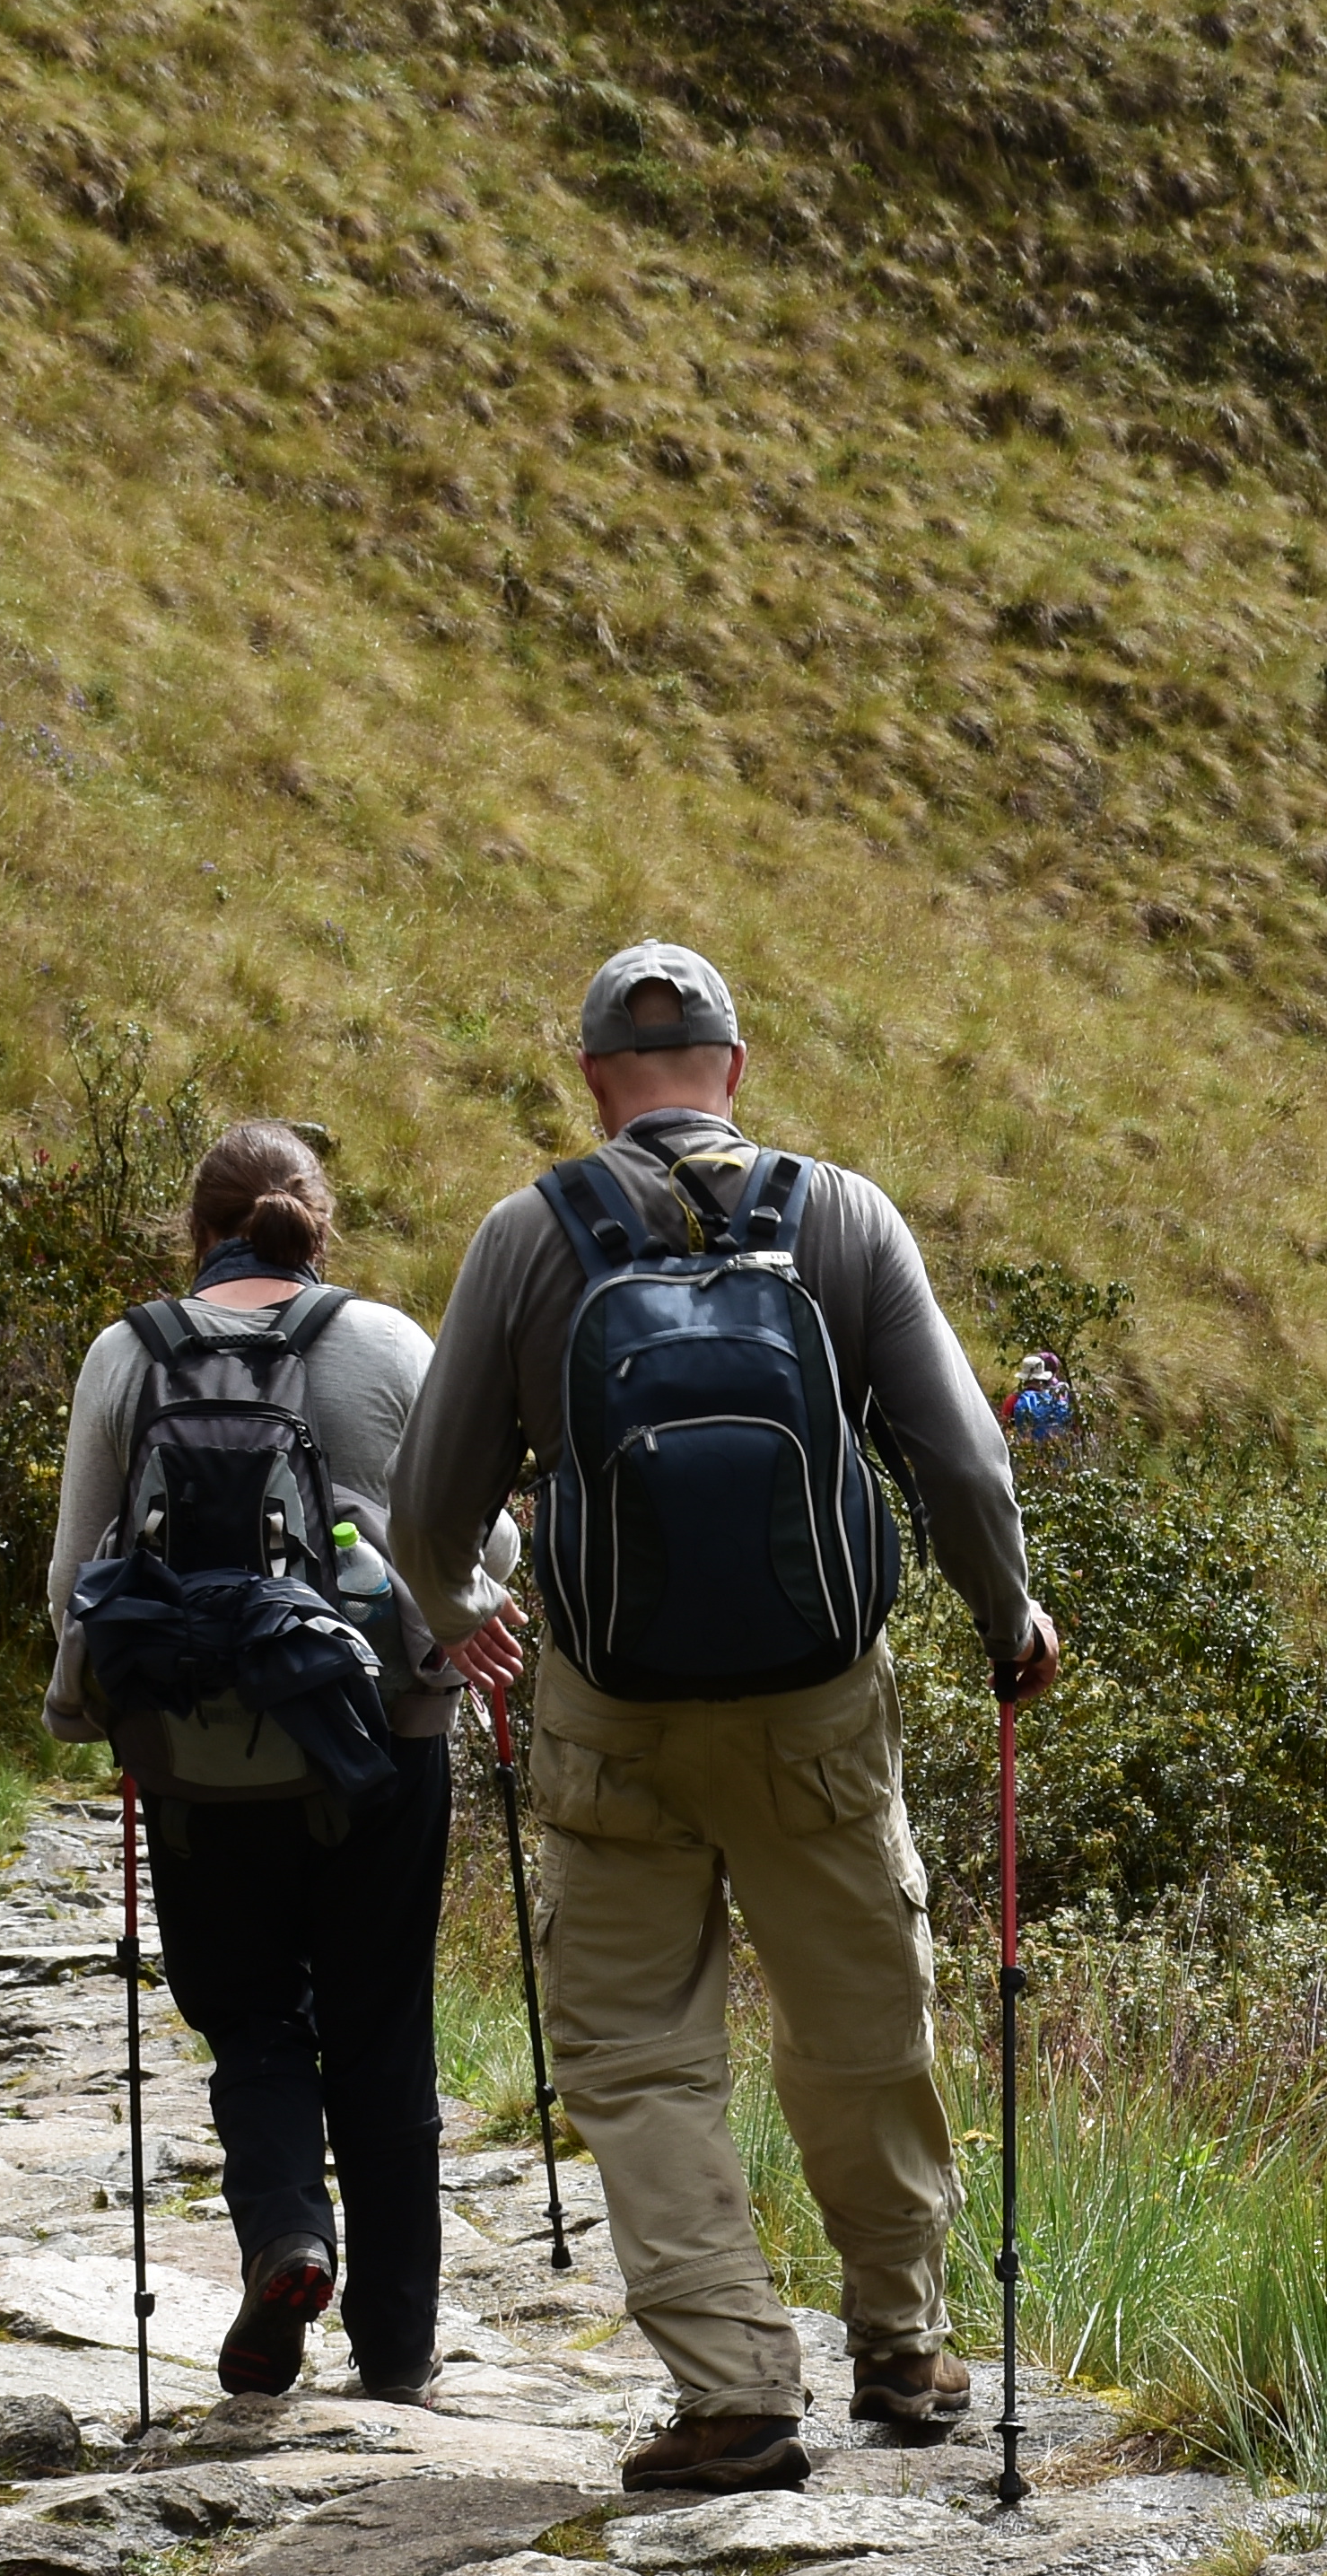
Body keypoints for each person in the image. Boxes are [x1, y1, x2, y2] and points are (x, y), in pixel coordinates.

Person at [388, 944, 1061, 2495]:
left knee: (635, 2054)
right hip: (816, 1701)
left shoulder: (525, 1235)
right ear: (736, 1069)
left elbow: (427, 1505)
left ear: (592, 1083)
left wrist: (464, 1613)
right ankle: (901, 2347)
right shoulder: (844, 1217)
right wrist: (1007, 1618)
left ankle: (735, 2391)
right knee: (860, 2019)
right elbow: (964, 1464)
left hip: (609, 1710)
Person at [45, 1121, 511, 2403]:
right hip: (382, 1743)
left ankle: (288, 2238)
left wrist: (99, 1713)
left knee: (249, 2016)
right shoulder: (387, 1344)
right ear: (318, 1223)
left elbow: (76, 1574)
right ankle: (398, 2346)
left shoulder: (125, 1355)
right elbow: (482, 1546)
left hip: (194, 1760)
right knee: (379, 2027)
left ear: (196, 1231)